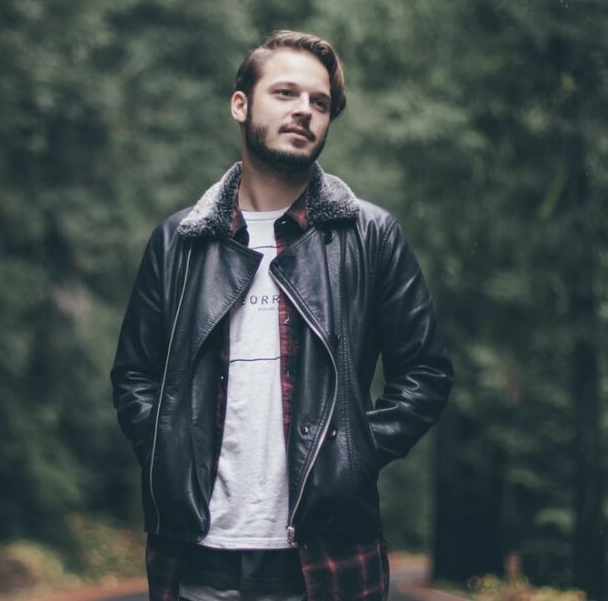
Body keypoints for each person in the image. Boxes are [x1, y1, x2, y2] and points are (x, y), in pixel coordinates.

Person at [111, 30, 453, 601]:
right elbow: (134, 376)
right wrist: (167, 451)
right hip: (196, 552)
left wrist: (356, 450)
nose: (304, 111)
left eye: (319, 103)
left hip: (329, 553)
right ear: (240, 105)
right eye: (286, 93)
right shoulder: (179, 242)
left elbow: (425, 373)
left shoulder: (370, 237)